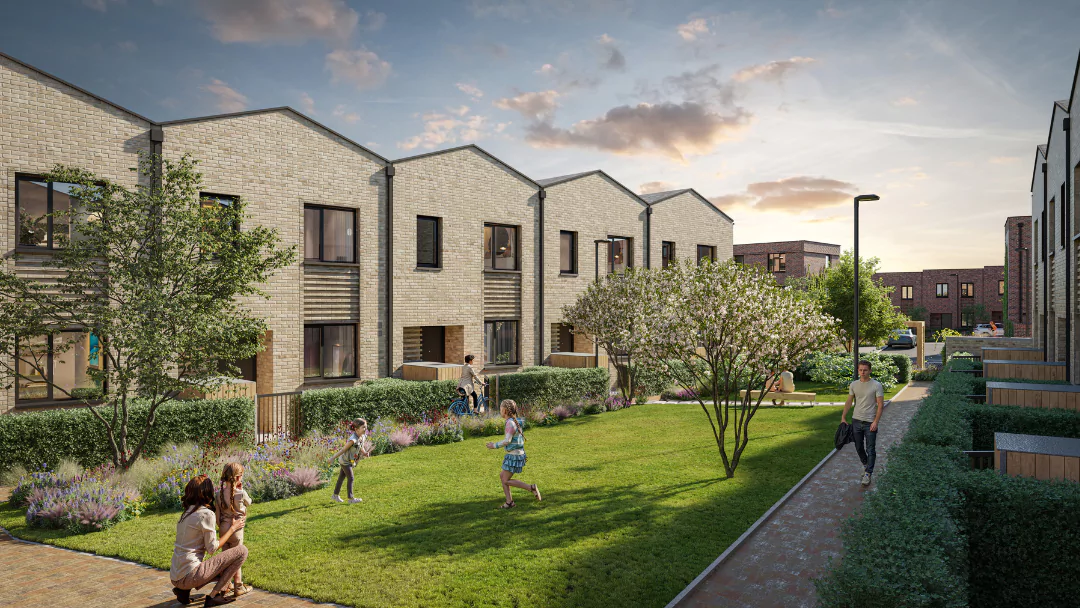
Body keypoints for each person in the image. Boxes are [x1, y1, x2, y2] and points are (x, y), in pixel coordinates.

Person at [171, 474, 248, 607]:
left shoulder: (185, 514)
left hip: (175, 576)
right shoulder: (206, 514)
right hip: (190, 576)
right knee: (242, 551)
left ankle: (183, 591)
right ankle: (214, 596)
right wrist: (232, 528)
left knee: (222, 565)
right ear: (207, 493)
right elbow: (212, 548)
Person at [485, 399, 541, 509]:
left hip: (514, 455)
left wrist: (494, 445)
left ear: (505, 411)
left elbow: (507, 440)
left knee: (505, 480)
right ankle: (509, 502)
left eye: (500, 409)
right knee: (502, 476)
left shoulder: (510, 423)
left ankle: (531, 488)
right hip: (516, 454)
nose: (500, 411)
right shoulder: (515, 421)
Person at [840, 360, 885, 486]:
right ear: (858, 370)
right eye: (860, 370)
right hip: (856, 420)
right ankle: (865, 464)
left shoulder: (876, 385)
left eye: (865, 370)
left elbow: (880, 405)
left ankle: (868, 473)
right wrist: (843, 416)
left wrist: (876, 422)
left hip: (870, 422)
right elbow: (849, 401)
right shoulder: (854, 385)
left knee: (870, 449)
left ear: (870, 370)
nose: (863, 372)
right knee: (858, 447)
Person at [215, 463, 252, 598]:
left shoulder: (218, 494)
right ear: (238, 477)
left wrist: (222, 526)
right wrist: (240, 489)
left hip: (223, 530)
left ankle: (226, 585)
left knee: (226, 559)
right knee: (237, 559)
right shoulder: (241, 493)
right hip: (237, 530)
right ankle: (238, 586)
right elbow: (249, 502)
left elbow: (217, 518)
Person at [328, 418, 370, 504]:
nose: (365, 429)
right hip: (345, 461)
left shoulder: (362, 436)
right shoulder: (352, 440)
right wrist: (332, 458)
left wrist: (364, 452)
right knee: (351, 478)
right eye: (363, 427)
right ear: (356, 429)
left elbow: (360, 446)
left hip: (350, 461)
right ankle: (351, 498)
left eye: (366, 427)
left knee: (341, 477)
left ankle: (335, 495)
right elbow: (343, 450)